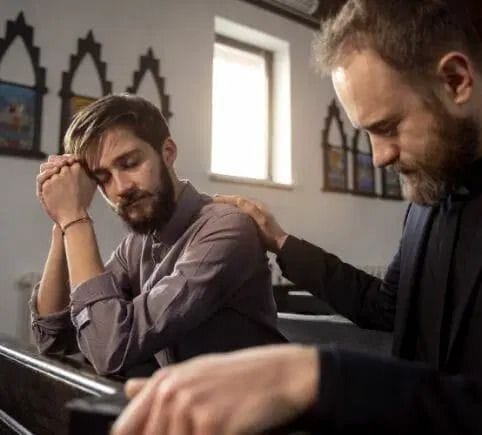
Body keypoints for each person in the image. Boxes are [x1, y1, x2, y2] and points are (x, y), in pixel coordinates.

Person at [111, 1, 482, 434]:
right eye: (367, 133)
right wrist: (282, 242)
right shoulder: (427, 199)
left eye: (388, 127)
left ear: (455, 80)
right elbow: (387, 308)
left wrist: (312, 376)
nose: (379, 157)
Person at [30, 94, 286, 376]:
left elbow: (110, 349)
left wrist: (75, 218)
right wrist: (63, 221)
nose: (121, 188)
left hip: (256, 402)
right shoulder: (136, 245)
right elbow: (54, 340)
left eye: (130, 163)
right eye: (103, 178)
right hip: (189, 400)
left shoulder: (227, 228)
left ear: (167, 152)